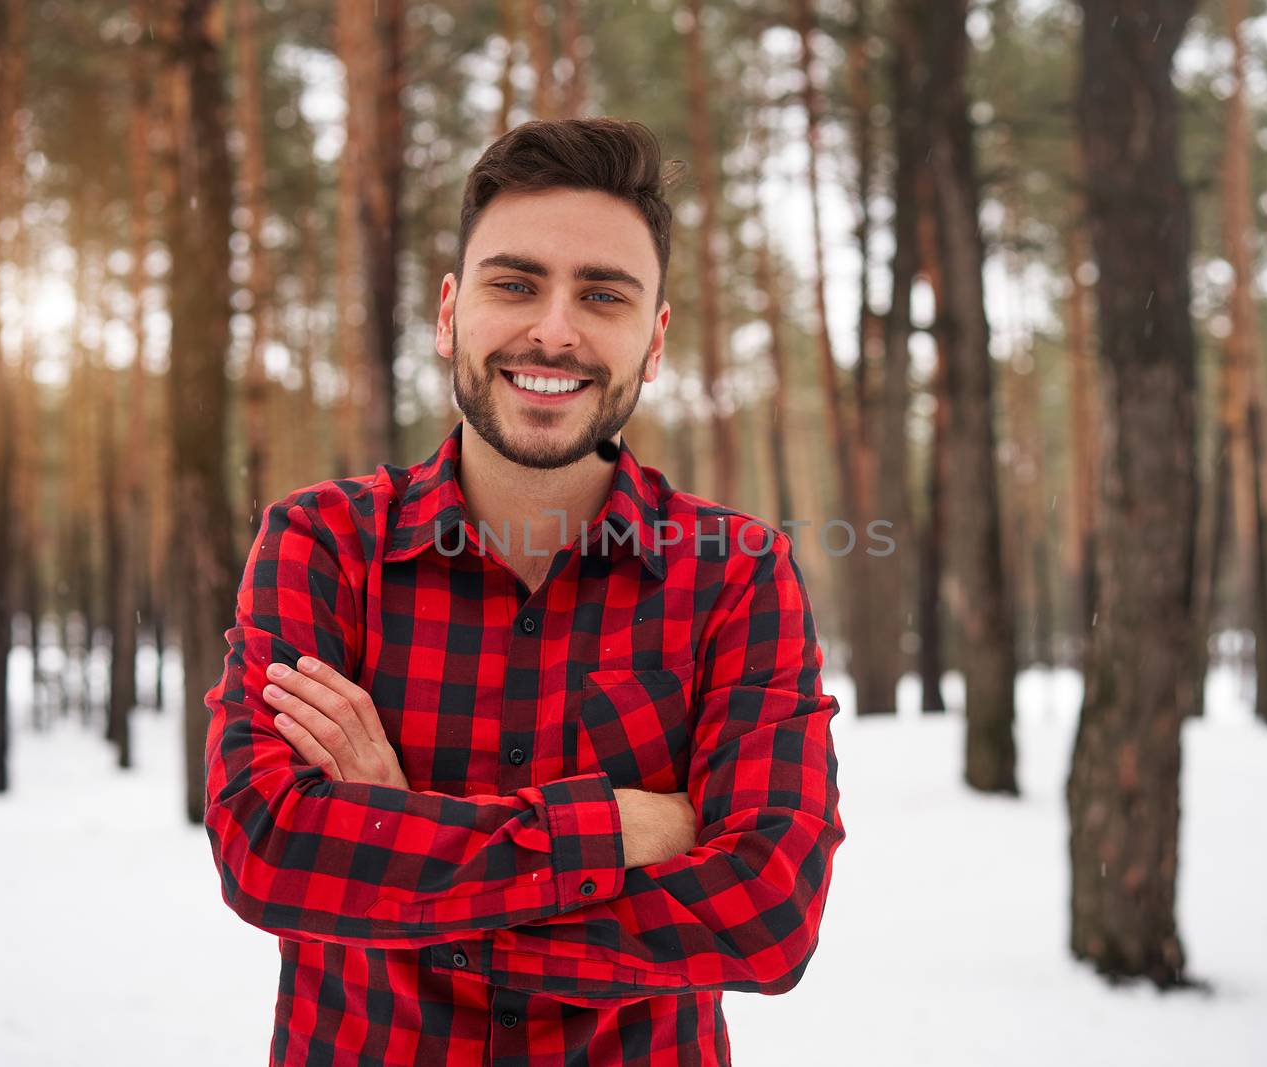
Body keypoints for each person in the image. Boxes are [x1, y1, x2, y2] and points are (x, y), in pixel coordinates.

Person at [203, 117, 845, 1066]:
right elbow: (269, 846)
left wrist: (398, 848)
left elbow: (765, 915)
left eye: (603, 295)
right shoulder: (323, 543)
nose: (555, 329)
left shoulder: (735, 572)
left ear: (655, 340)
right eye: (516, 284)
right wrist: (619, 830)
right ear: (450, 311)